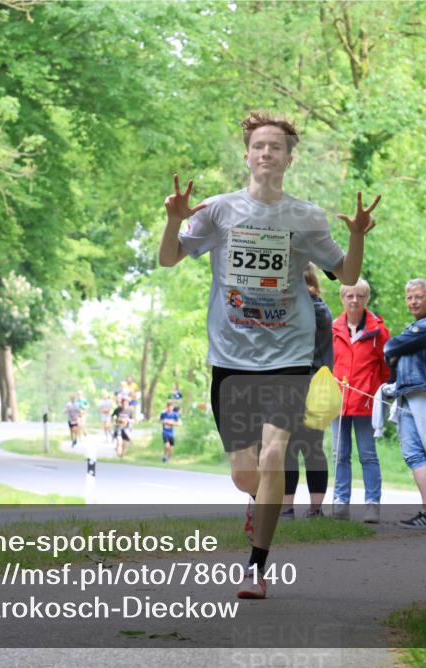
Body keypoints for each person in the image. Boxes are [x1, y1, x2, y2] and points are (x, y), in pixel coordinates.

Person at [158, 110, 380, 599]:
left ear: (288, 158)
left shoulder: (305, 217)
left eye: (275, 147)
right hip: (232, 356)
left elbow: (346, 275)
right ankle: (258, 502)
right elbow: (168, 258)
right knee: (246, 474)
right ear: (247, 155)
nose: (266, 153)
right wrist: (174, 222)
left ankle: (257, 568)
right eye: (258, 146)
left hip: (288, 352)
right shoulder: (218, 210)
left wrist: (358, 235)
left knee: (276, 453)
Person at [385, 278, 426, 530]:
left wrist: (397, 350)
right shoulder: (420, 325)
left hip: (419, 392)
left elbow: (390, 346)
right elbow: (394, 353)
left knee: (414, 454)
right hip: (414, 392)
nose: (413, 301)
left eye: (419, 297)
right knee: (416, 454)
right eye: (409, 297)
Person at [329, 277, 391, 522]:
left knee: (368, 454)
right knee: (340, 454)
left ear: (367, 299)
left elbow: (386, 369)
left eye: (360, 296)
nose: (354, 300)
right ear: (342, 298)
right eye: (349, 296)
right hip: (338, 403)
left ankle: (372, 504)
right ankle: (340, 503)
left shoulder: (379, 331)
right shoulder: (332, 329)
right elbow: (326, 364)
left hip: (366, 404)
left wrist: (378, 392)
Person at [281, 264, 333, 521]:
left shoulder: (316, 309)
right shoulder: (311, 308)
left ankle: (313, 509)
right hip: (298, 384)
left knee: (309, 447)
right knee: (293, 446)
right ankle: (289, 508)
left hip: (312, 385)